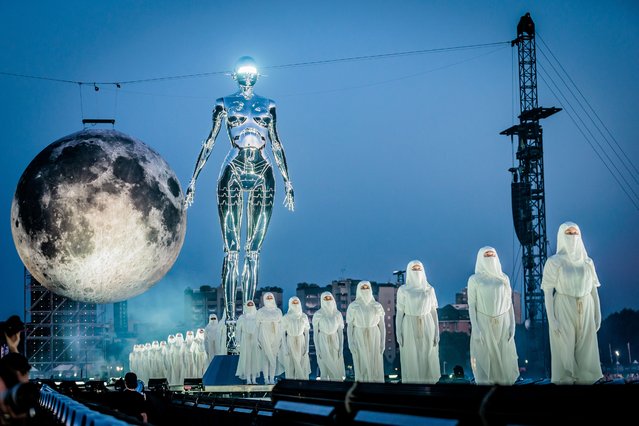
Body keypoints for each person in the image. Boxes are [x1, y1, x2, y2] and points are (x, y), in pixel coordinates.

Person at [184, 56, 295, 351]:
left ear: (258, 76)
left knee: (254, 252)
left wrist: (287, 181)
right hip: (233, 169)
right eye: (243, 73)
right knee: (232, 251)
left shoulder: (269, 105)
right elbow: (208, 142)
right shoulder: (224, 103)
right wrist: (193, 179)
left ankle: (248, 318)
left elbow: (277, 143)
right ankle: (231, 324)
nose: (248, 78)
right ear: (235, 75)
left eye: (252, 73)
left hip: (262, 170)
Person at [542, 222, 603, 384]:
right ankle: (566, 380)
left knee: (586, 347)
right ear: (562, 237)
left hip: (586, 306)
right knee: (565, 346)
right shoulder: (554, 262)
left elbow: (593, 290)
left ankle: (586, 379)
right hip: (563, 305)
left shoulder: (587, 262)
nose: (572, 236)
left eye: (575, 233)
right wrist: (552, 319)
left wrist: (598, 315)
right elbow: (548, 291)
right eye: (568, 233)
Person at [468, 247, 519, 385]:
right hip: (484, 324)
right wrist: (476, 328)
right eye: (486, 255)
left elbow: (509, 304)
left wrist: (512, 325)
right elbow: (472, 305)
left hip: (503, 323)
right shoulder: (474, 280)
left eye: (492, 254)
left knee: (504, 358)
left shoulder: (504, 279)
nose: (490, 257)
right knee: (485, 356)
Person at [396, 260, 441, 384]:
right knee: (411, 355)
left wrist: (437, 332)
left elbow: (433, 312)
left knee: (428, 354)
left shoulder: (429, 289)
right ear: (409, 271)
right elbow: (400, 312)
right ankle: (412, 384)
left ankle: (430, 383)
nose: (417, 272)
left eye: (419, 269)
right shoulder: (403, 290)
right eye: (414, 269)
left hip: (427, 323)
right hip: (409, 324)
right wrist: (398, 333)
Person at [346, 281, 385, 383]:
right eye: (362, 288)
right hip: (358, 335)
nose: (365, 289)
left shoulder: (377, 306)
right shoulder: (353, 306)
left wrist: (382, 342)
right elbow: (350, 326)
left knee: (375, 362)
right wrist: (350, 343)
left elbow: (382, 325)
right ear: (358, 290)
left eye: (367, 287)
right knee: (361, 361)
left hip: (375, 335)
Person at [312, 292, 345, 381]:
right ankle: (324, 387)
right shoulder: (318, 314)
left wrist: (341, 347)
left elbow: (340, 332)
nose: (327, 300)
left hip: (335, 341)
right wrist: (317, 349)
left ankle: (337, 385)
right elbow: (315, 334)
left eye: (329, 298)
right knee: (324, 366)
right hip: (323, 340)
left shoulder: (337, 314)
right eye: (325, 299)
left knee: (335, 364)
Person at [256, 292, 283, 384]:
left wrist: (281, 339)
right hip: (264, 335)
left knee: (273, 357)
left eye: (270, 297)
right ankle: (266, 379)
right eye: (267, 298)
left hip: (276, 335)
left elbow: (281, 325)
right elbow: (257, 326)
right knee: (265, 357)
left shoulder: (278, 311)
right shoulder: (261, 311)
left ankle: (272, 378)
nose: (269, 299)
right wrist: (257, 339)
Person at [281, 297, 311, 380]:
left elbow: (307, 332)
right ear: (290, 304)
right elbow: (282, 333)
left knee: (301, 363)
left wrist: (307, 347)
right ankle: (291, 383)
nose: (295, 304)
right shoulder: (286, 317)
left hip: (301, 341)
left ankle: (303, 383)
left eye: (296, 302)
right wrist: (285, 348)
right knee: (291, 363)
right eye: (293, 303)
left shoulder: (303, 316)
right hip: (290, 341)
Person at [236, 301, 260, 385]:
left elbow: (260, 329)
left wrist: (260, 341)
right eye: (248, 305)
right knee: (247, 359)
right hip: (245, 339)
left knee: (255, 359)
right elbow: (238, 330)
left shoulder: (258, 317)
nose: (250, 306)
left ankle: (254, 379)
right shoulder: (242, 318)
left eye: (251, 305)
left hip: (255, 339)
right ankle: (248, 379)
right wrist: (238, 341)